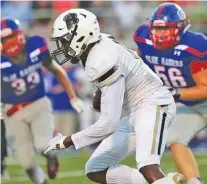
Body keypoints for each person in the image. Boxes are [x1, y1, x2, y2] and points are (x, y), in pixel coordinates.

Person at [45, 9, 184, 184]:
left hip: (154, 103)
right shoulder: (95, 45)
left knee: (147, 165)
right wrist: (100, 92)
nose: (62, 47)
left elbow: (108, 124)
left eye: (65, 40)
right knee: (95, 168)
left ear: (81, 36)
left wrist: (69, 140)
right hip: (136, 110)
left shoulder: (101, 59)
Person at [1, 18, 83, 184]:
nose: (7, 43)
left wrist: (72, 96)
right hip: (13, 111)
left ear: (19, 35)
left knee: (43, 145)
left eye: (9, 38)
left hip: (38, 104)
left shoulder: (35, 45)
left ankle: (51, 157)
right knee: (26, 161)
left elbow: (57, 71)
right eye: (3, 40)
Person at [133, 2, 207, 184]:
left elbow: (205, 88)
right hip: (188, 105)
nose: (160, 34)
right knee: (174, 138)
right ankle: (193, 182)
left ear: (179, 28)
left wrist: (175, 92)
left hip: (198, 97)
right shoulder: (144, 40)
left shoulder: (194, 46)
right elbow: (139, 67)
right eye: (156, 29)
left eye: (165, 28)